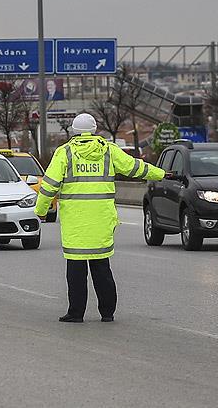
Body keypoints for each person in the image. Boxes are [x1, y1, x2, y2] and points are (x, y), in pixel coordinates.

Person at [35, 113, 168, 323]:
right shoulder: (108, 150)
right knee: (102, 268)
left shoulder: (65, 153)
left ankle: (76, 313)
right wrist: (161, 174)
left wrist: (41, 210)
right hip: (101, 221)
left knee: (76, 271)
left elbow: (49, 185)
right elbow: (134, 167)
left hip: (75, 223)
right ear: (94, 129)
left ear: (74, 131)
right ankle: (107, 313)